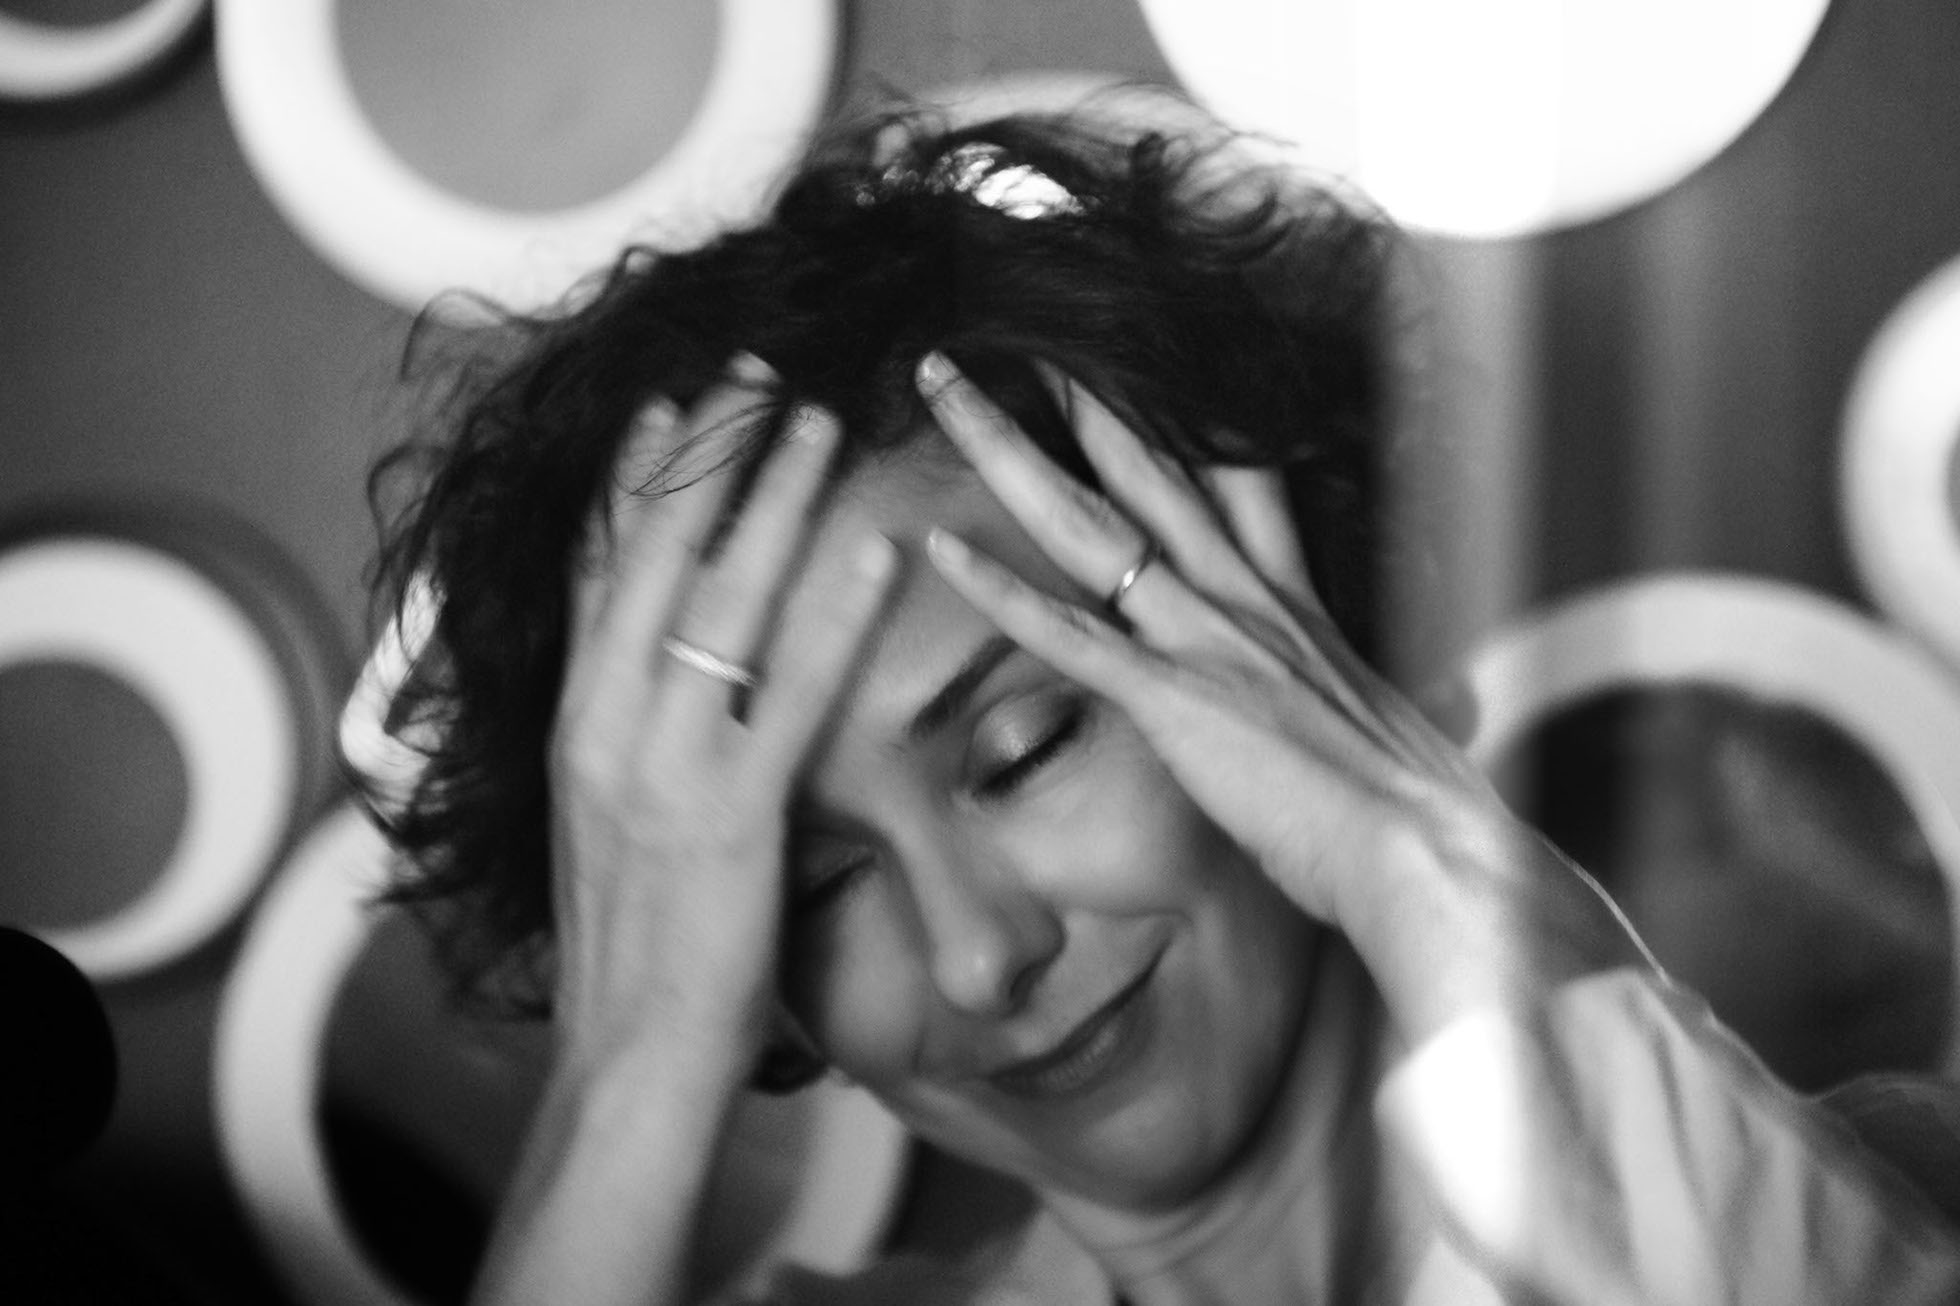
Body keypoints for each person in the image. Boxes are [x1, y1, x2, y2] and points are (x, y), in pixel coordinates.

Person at [357, 97, 1960, 1304]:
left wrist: (1431, 864)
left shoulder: (1869, 1199)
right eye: (814, 885)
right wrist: (627, 1090)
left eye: (1025, 744)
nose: (978, 954)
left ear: (1285, 655)